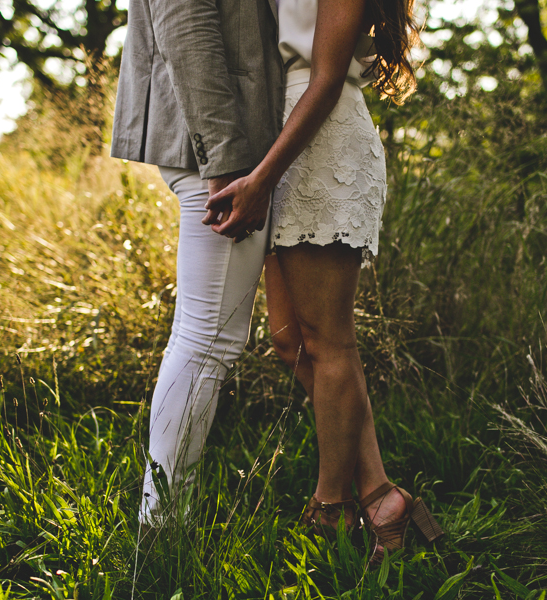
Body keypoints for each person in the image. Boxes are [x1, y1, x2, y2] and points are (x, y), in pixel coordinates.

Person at [203, 0, 444, 563]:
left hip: (321, 136)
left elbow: (330, 75)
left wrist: (262, 176)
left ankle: (330, 509)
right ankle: (382, 494)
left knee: (330, 340)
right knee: (291, 341)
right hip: (283, 135)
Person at [109, 0, 284, 526]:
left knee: (201, 335)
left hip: (222, 142)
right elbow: (183, 21)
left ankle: (160, 517)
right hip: (218, 147)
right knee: (208, 341)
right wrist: (226, 158)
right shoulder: (225, 156)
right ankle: (161, 525)